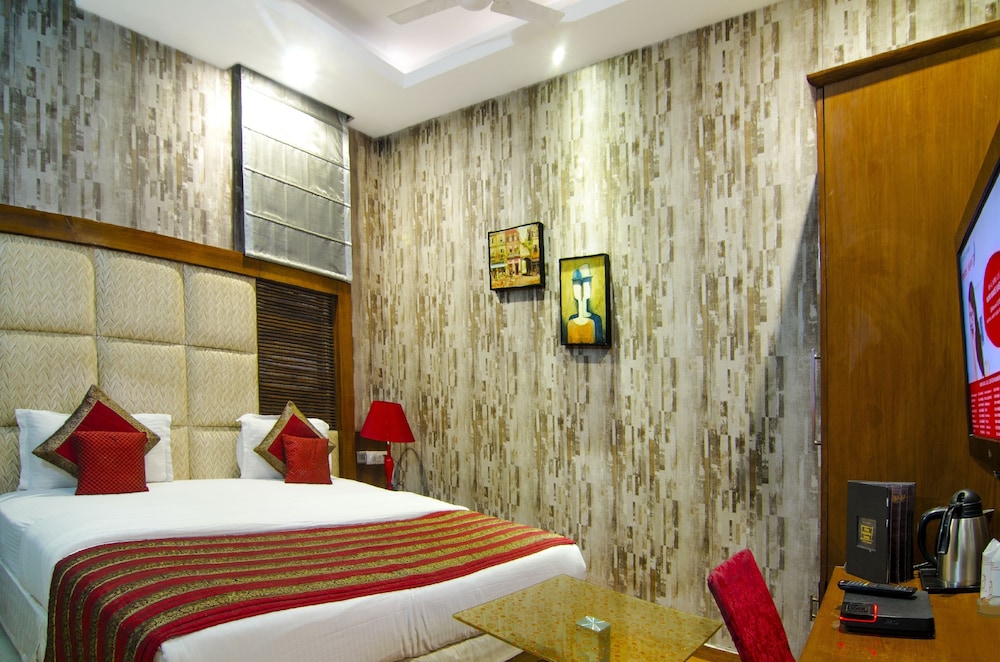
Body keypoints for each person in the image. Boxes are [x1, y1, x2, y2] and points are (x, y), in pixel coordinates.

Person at [567, 263, 604, 344]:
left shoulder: (596, 320)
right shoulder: (571, 320)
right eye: (576, 284)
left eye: (587, 283)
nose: (582, 289)